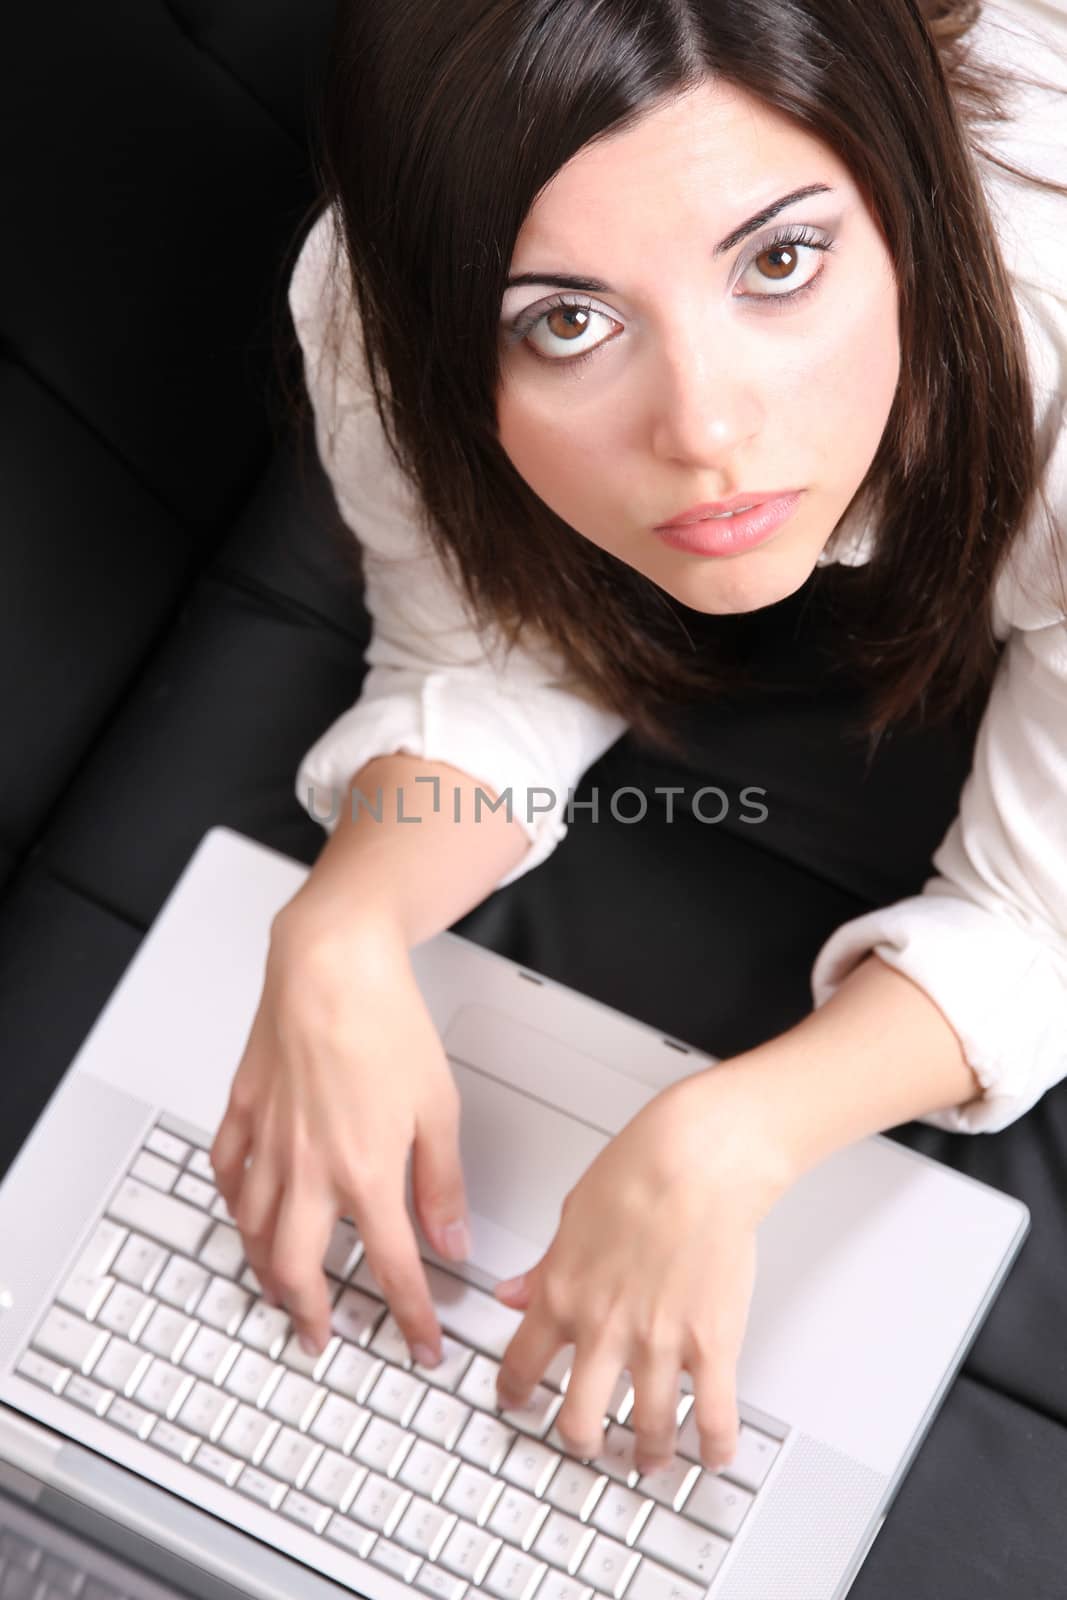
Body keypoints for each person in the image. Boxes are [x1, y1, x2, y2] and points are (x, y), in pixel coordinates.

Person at [210, 0, 1067, 1481]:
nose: (707, 432)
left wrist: (732, 1138)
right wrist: (343, 918)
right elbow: (479, 644)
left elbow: (1039, 919)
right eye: (568, 322)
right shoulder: (378, 305)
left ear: (909, 194)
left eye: (780, 263)